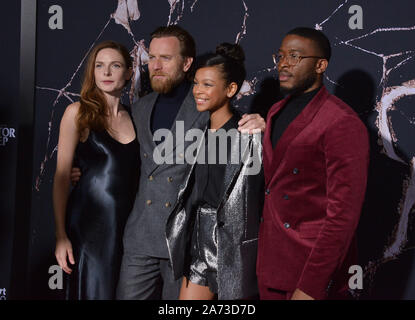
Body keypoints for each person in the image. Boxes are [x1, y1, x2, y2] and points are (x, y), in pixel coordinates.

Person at [113, 25, 266, 300]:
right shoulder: (139, 108)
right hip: (141, 234)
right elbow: (122, 158)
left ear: (186, 63)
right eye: (152, 58)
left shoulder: (208, 108)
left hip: (184, 240)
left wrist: (261, 124)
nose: (156, 66)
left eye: (166, 58)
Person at [257, 27, 369, 300]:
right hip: (270, 268)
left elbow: (342, 217)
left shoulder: (341, 122)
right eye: (280, 56)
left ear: (320, 65)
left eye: (295, 56)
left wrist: (311, 287)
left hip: (311, 274)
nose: (283, 63)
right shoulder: (275, 111)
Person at [165, 43, 264, 300]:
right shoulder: (199, 133)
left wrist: (265, 127)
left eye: (207, 85)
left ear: (231, 89)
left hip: (234, 245)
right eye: (196, 83)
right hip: (200, 241)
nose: (198, 91)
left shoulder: (249, 134)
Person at [53, 40, 139, 300]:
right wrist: (60, 235)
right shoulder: (77, 113)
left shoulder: (137, 116)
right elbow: (60, 179)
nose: (106, 73)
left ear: (128, 73)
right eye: (99, 66)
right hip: (89, 229)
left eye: (115, 66)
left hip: (128, 231)